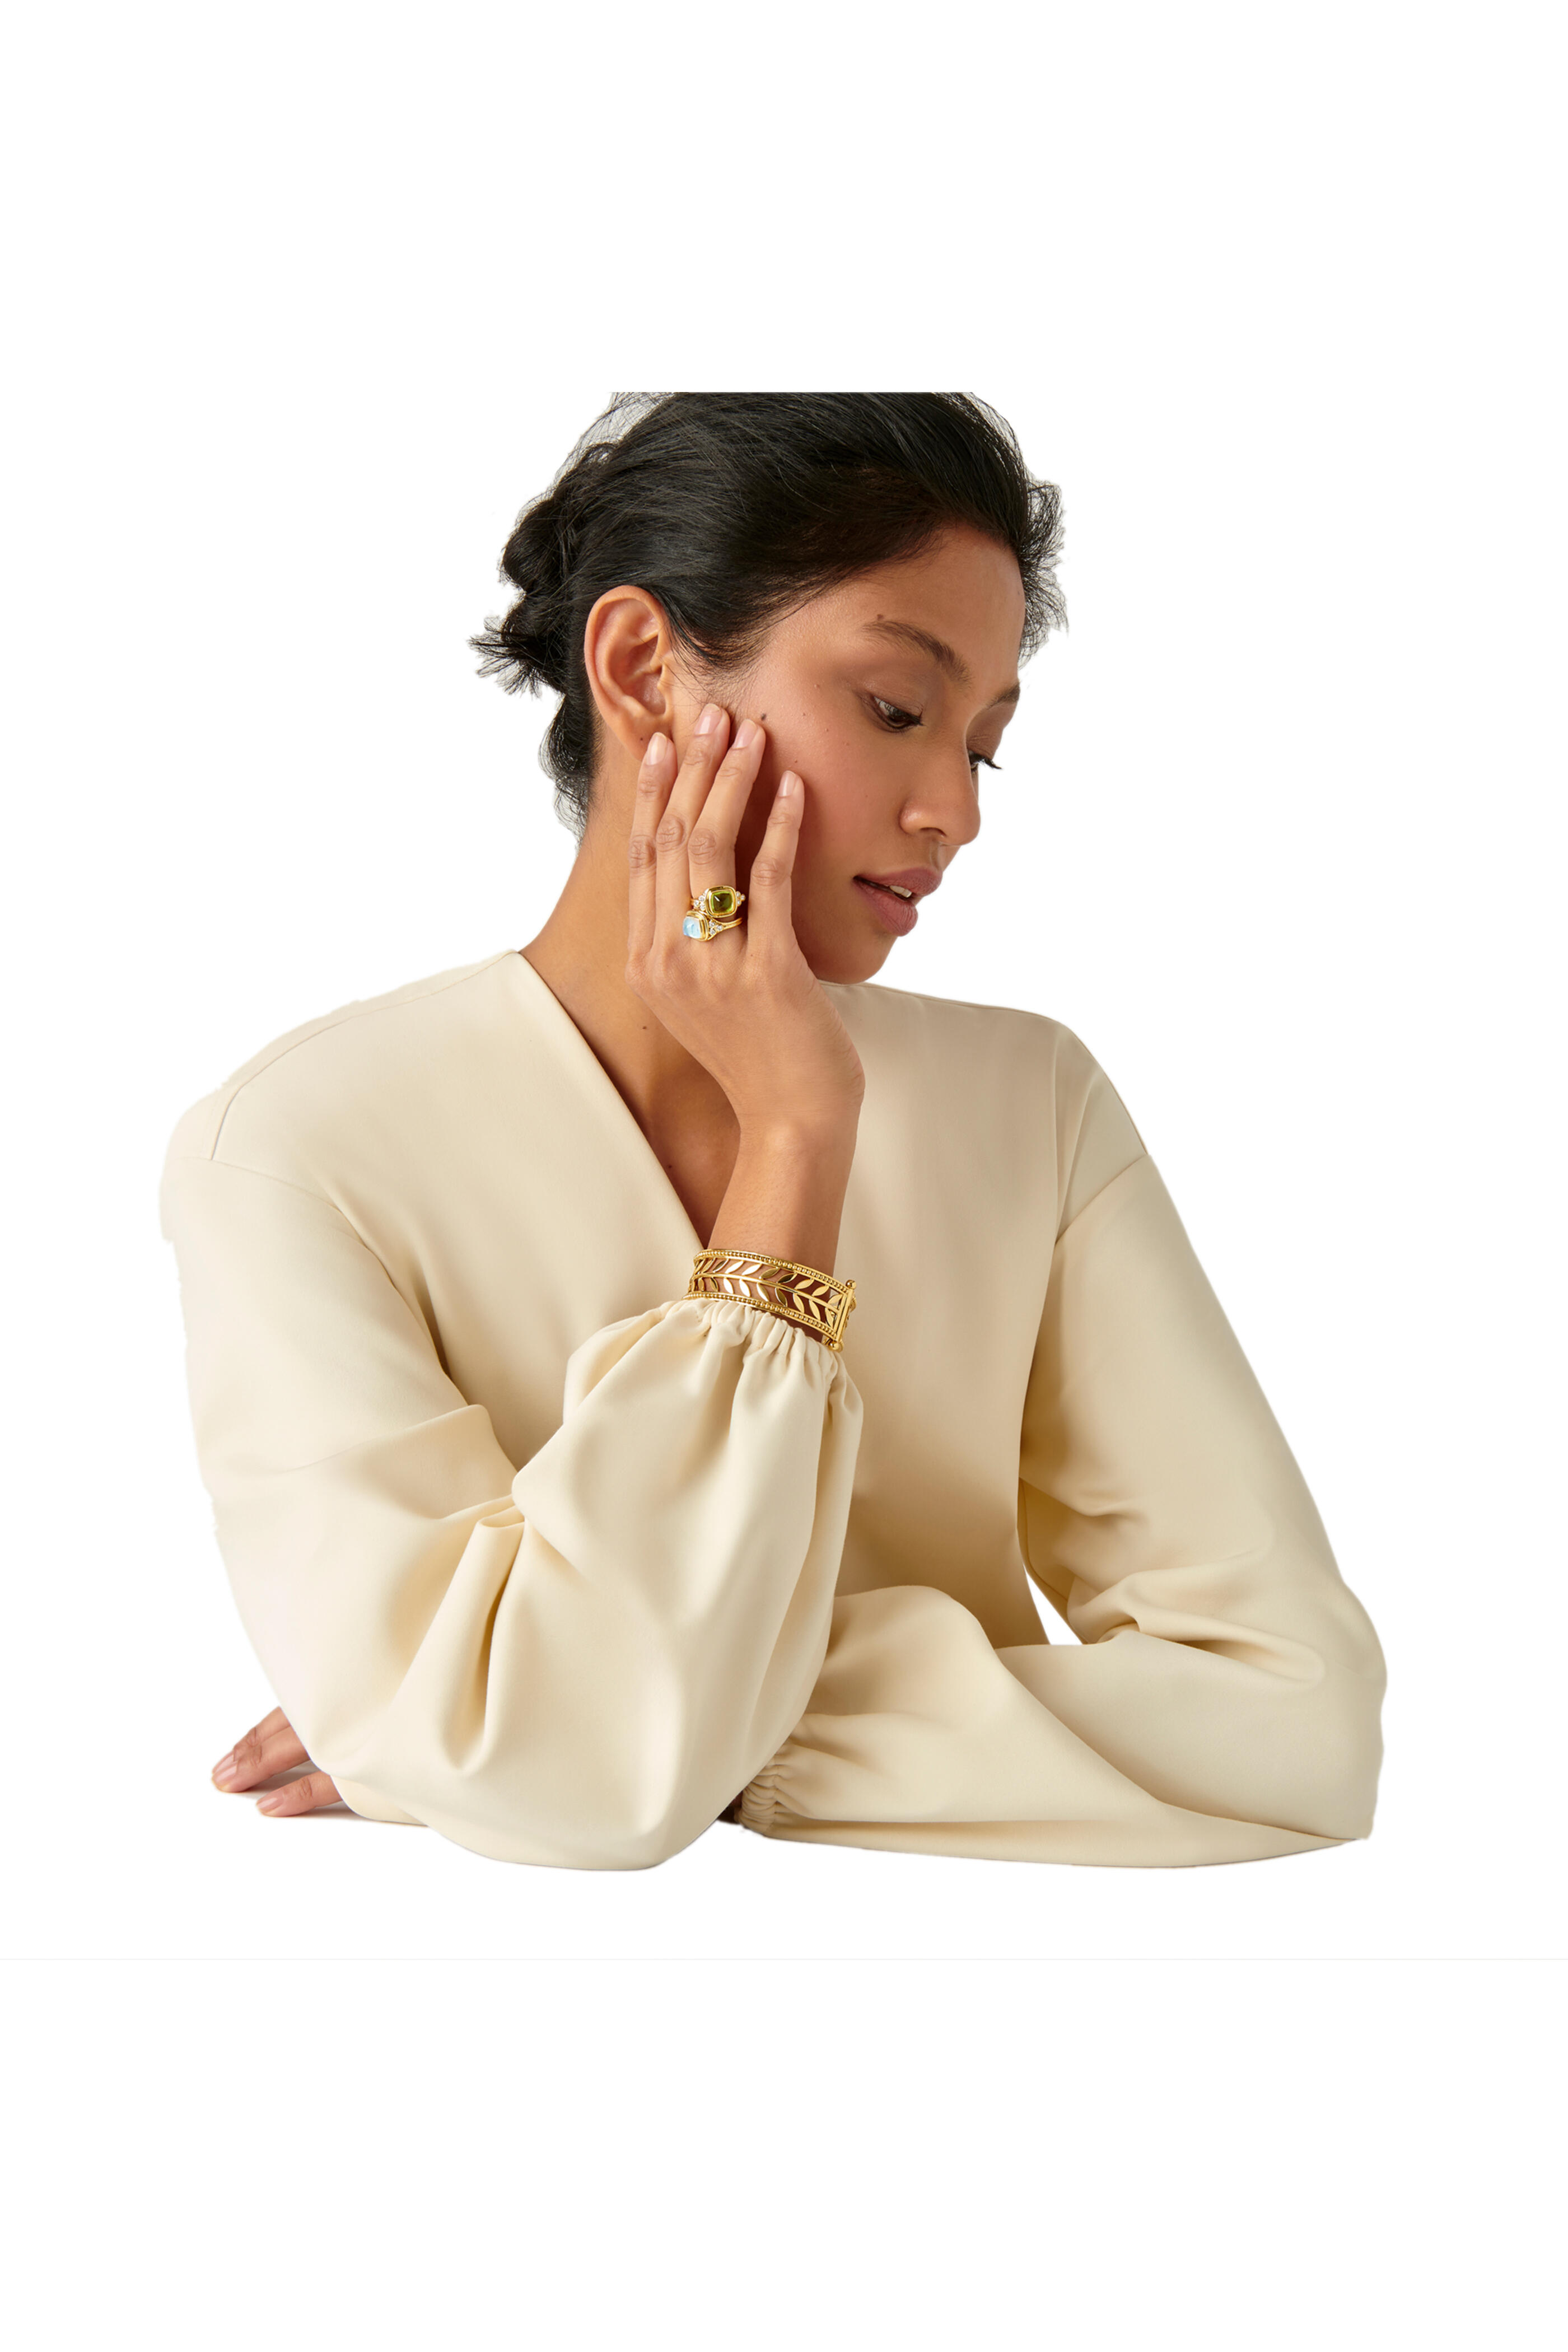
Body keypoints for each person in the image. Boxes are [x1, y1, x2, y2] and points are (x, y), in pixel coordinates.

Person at [164, 393, 1387, 1869]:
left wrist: (569, 1729)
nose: (956, 813)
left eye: (985, 748)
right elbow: (567, 1781)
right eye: (896, 709)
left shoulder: (1032, 1105)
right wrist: (796, 1136)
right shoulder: (298, 1153)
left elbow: (1304, 1726)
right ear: (641, 667)